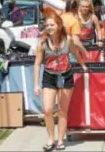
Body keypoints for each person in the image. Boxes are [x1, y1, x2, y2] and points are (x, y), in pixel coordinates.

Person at [34, 13, 87, 151]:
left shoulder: (67, 39)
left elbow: (75, 53)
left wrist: (83, 65)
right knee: (47, 110)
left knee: (63, 111)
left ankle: (60, 140)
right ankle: (50, 138)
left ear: (58, 25)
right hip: (49, 77)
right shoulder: (42, 43)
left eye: (52, 25)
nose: (49, 27)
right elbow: (37, 64)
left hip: (65, 76)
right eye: (47, 25)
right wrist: (36, 84)